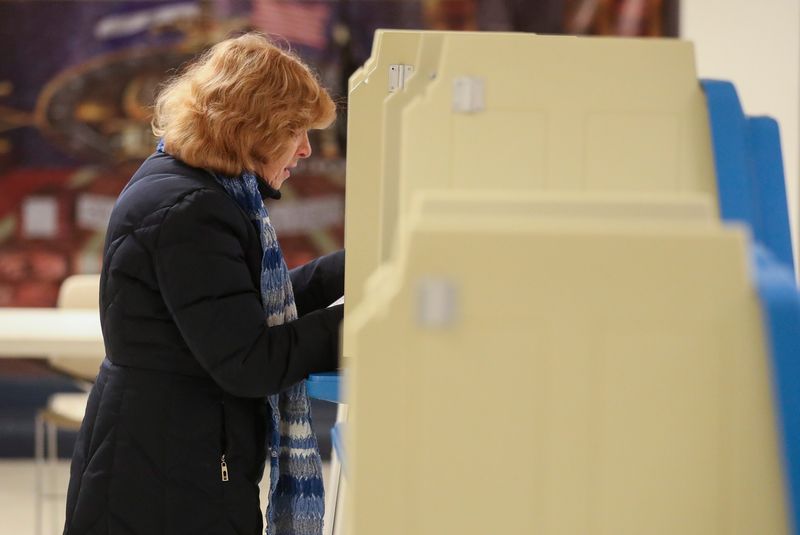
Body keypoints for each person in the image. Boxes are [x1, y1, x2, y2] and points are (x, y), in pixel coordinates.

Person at [63, 33, 344, 535]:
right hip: (166, 474)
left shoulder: (192, 187)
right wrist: (361, 319)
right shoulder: (191, 210)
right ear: (254, 128)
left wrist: (353, 269)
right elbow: (250, 361)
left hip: (165, 453)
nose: (305, 149)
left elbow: (244, 303)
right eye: (297, 131)